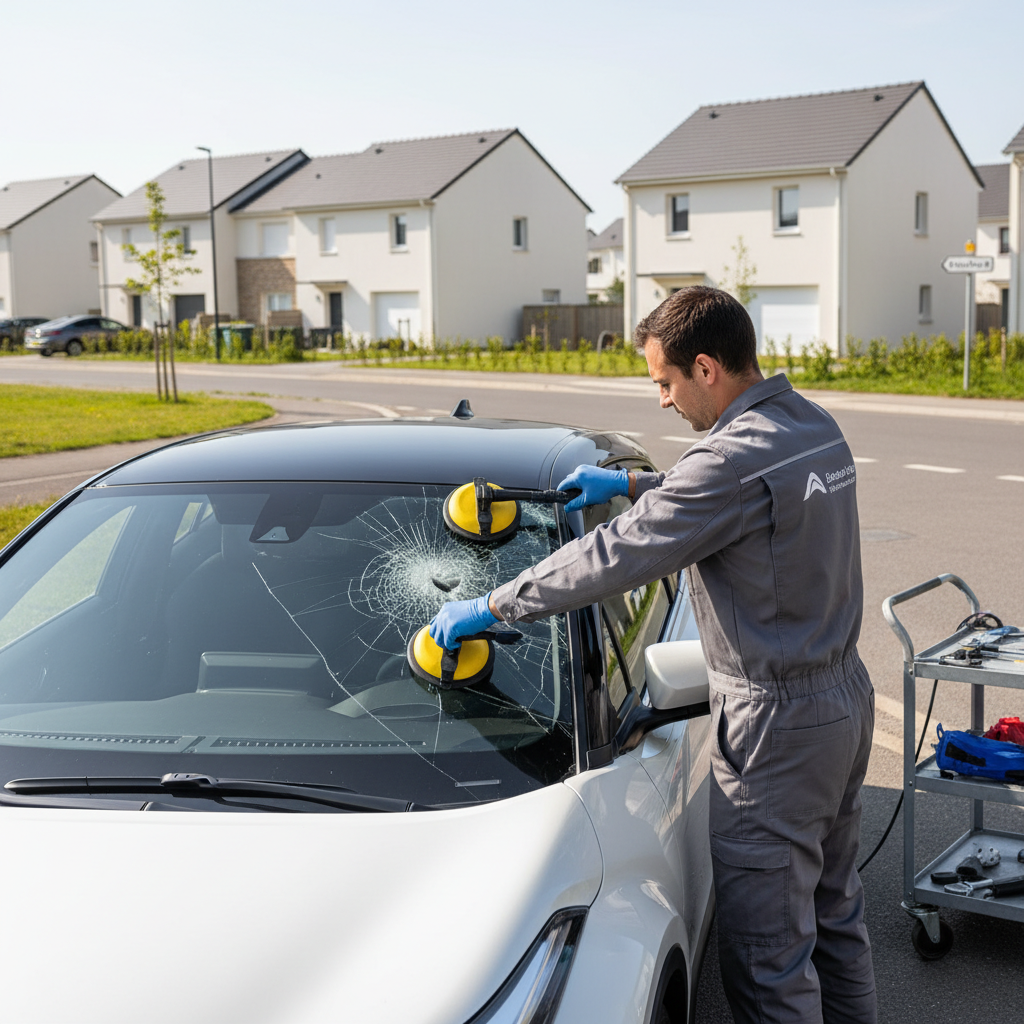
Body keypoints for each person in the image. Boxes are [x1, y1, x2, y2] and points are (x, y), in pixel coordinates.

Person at [429, 286, 876, 1024]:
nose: (662, 402)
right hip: (841, 704)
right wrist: (638, 483)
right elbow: (744, 497)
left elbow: (614, 556)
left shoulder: (728, 459)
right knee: (834, 919)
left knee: (770, 962)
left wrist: (492, 605)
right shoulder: (808, 423)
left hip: (775, 731)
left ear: (706, 368)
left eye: (664, 382)